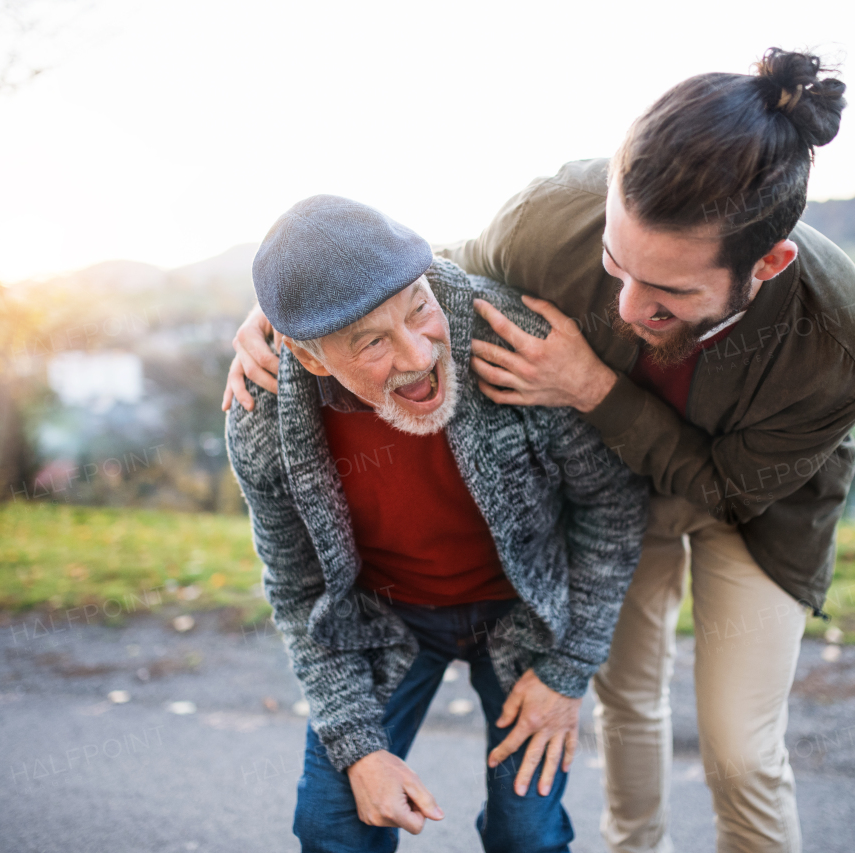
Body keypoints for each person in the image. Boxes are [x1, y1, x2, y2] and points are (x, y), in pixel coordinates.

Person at [225, 50, 855, 853]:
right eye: (616, 265)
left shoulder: (839, 348)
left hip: (747, 500)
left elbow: (722, 491)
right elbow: (427, 274)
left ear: (767, 265)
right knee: (628, 699)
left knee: (739, 751)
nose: (628, 304)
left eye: (670, 292)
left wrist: (592, 388)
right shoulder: (550, 219)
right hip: (588, 485)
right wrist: (279, 317)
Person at [225, 194, 647, 853]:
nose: (418, 354)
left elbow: (612, 504)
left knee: (528, 836)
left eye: (419, 308)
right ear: (310, 358)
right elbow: (298, 592)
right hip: (383, 617)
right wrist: (360, 746)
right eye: (372, 343)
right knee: (333, 828)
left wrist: (566, 669)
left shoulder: (504, 329)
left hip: (521, 608)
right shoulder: (262, 422)